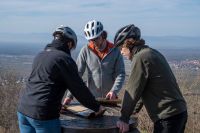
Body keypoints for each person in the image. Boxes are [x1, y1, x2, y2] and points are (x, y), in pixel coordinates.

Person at [17, 25, 105, 133]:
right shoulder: (64, 59)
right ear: (69, 43)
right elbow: (79, 89)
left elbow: (41, 84)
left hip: (23, 111)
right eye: (72, 47)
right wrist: (97, 107)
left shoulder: (40, 55)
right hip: (44, 115)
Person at [114, 24, 187, 133]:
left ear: (129, 42)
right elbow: (141, 91)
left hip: (167, 117)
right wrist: (133, 112)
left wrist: (124, 118)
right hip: (178, 113)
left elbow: (132, 90)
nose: (121, 52)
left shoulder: (140, 57)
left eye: (121, 47)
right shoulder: (151, 52)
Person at [63, 20, 125, 105]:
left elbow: (120, 73)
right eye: (90, 40)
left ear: (102, 35)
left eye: (95, 39)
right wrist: (69, 96)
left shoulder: (115, 50)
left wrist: (114, 91)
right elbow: (77, 74)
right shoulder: (86, 50)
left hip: (110, 98)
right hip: (91, 99)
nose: (93, 42)